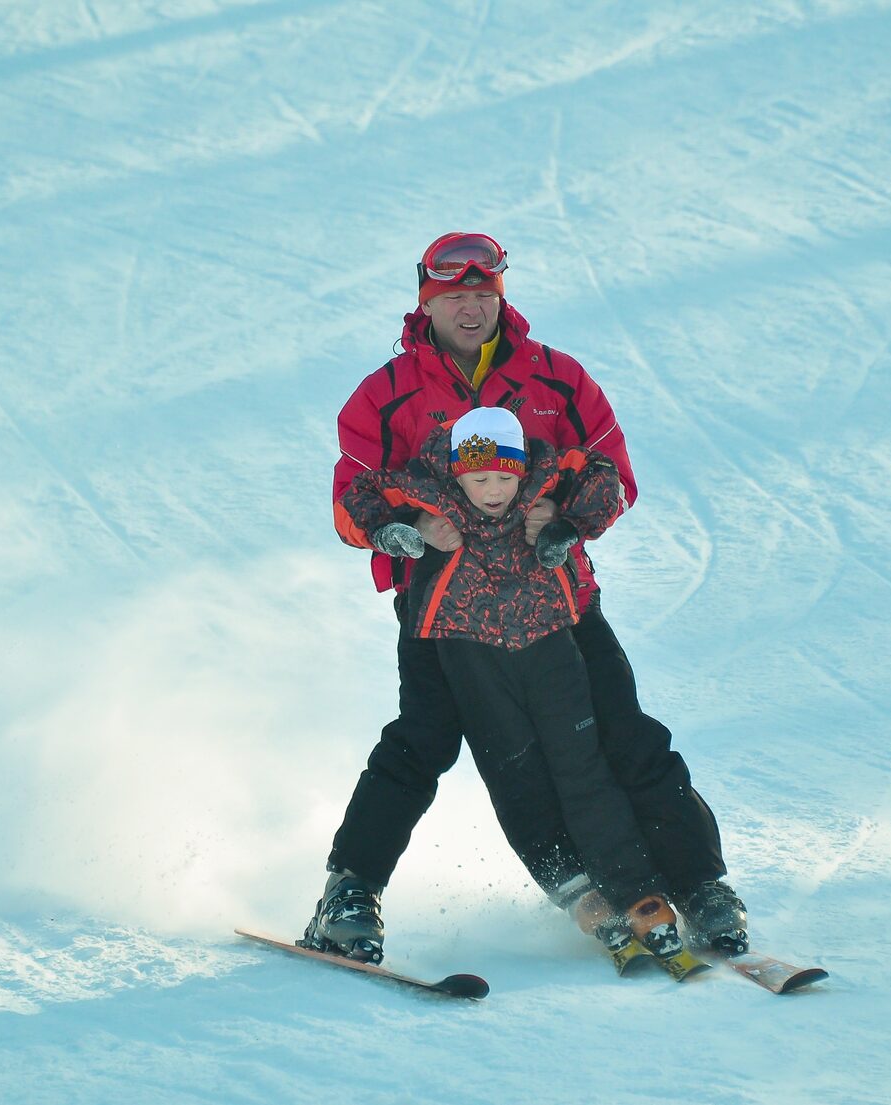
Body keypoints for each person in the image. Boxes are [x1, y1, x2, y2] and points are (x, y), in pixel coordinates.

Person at [303, 230, 746, 964]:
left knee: (624, 732)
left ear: (501, 297)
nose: (470, 309)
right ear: (428, 303)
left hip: (559, 602)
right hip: (444, 615)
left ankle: (699, 882)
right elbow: (351, 502)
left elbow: (614, 472)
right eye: (454, 297)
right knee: (424, 741)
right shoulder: (388, 394)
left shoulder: (556, 378)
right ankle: (349, 894)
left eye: (483, 294)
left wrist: (567, 518)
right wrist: (406, 528)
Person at [327, 406, 705, 974]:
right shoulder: (431, 488)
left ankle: (641, 894)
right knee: (514, 774)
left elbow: (608, 478)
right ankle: (581, 894)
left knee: (586, 767)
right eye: (480, 479)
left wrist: (567, 523)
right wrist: (394, 529)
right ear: (457, 473)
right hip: (465, 651)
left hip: (550, 643)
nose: (495, 490)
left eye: (505, 477)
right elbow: (359, 493)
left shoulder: (544, 478)